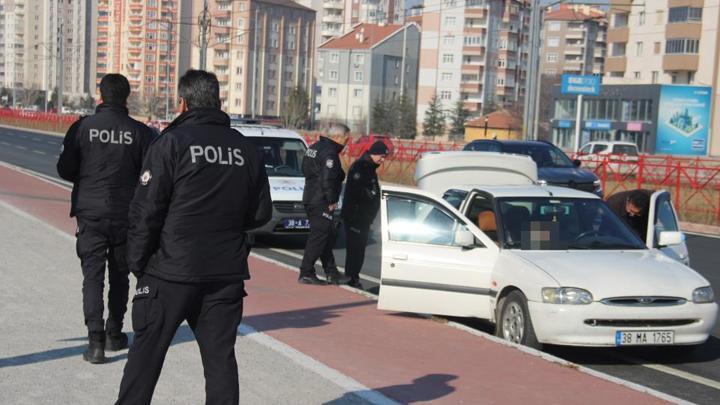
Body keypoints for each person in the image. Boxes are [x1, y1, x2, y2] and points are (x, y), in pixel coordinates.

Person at [116, 70, 272, 404]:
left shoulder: (171, 144)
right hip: (224, 274)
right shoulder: (247, 150)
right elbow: (260, 215)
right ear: (219, 102)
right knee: (220, 364)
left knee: (145, 362)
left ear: (182, 103)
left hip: (170, 271)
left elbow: (145, 212)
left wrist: (138, 265)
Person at [56, 74, 154, 364]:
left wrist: (87, 178)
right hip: (127, 215)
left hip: (91, 212)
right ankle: (114, 333)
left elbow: (64, 168)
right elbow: (152, 175)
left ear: (100, 96)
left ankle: (95, 342)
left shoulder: (83, 128)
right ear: (127, 98)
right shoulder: (141, 132)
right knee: (121, 274)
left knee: (93, 276)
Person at [298, 124, 350, 285]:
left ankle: (331, 272)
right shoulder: (329, 152)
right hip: (321, 201)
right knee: (318, 237)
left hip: (310, 196)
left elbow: (306, 170)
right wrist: (332, 200)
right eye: (346, 139)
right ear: (338, 137)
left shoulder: (314, 147)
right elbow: (328, 179)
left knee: (324, 237)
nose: (347, 143)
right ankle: (306, 272)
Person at [341, 141, 388, 289]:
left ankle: (353, 277)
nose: (383, 160)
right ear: (373, 153)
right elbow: (357, 192)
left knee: (359, 250)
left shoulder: (369, 168)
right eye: (381, 156)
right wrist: (372, 195)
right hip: (356, 217)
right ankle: (350, 278)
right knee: (355, 250)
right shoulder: (360, 167)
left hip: (363, 218)